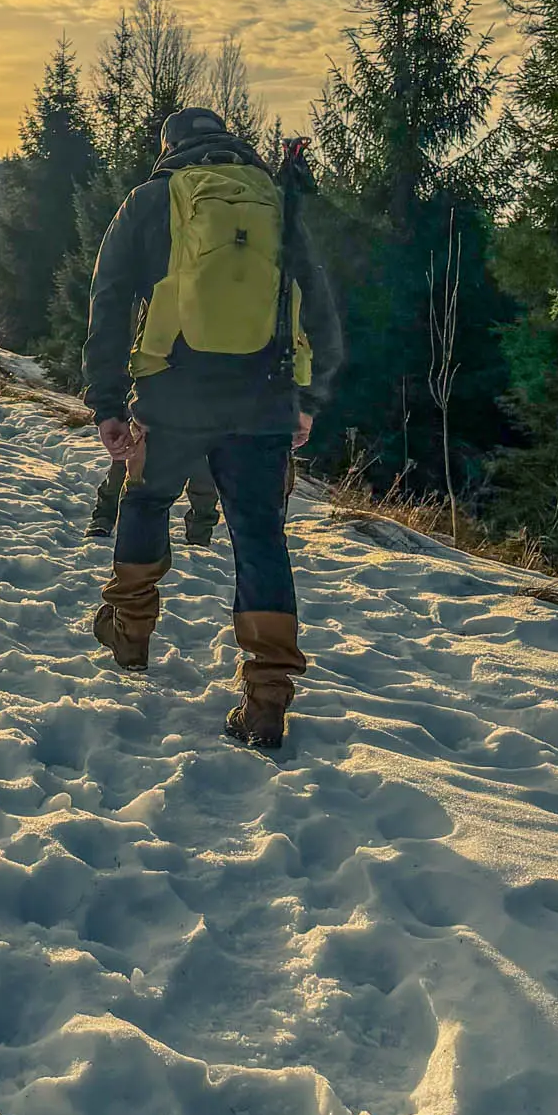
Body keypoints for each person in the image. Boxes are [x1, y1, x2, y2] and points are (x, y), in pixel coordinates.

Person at [81, 108, 340, 749]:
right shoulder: (277, 204)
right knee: (259, 536)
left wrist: (108, 401)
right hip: (266, 400)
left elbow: (110, 299)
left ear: (169, 148)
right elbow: (320, 302)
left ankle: (131, 635)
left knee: (145, 499)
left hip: (173, 395)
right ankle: (268, 693)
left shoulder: (149, 200)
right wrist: (307, 399)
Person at [86, 455, 220, 545]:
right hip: (152, 417)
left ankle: (200, 532)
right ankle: (104, 516)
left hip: (207, 420)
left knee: (205, 472)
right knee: (127, 460)